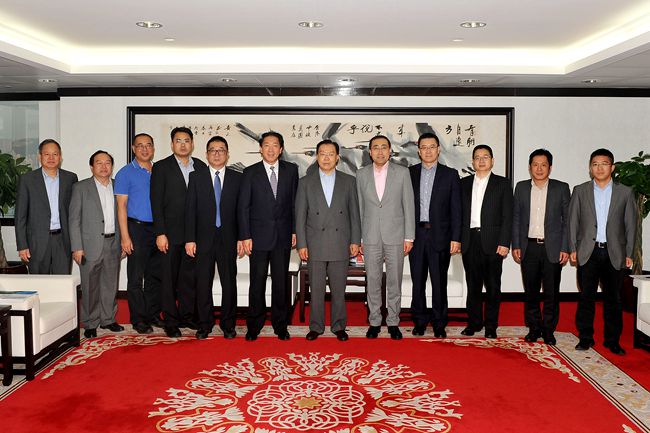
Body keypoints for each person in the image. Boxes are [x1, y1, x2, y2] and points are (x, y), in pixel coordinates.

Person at [569, 148, 637, 355]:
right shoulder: (580, 190)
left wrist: (629, 253)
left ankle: (612, 340)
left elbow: (631, 225)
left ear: (612, 167)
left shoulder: (625, 192)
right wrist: (573, 248)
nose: (599, 168)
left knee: (613, 299)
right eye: (595, 164)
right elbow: (573, 222)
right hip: (588, 252)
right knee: (586, 297)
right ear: (590, 168)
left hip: (614, 253)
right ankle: (585, 338)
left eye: (604, 164)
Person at [296, 139, 361, 342]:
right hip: (314, 242)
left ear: (337, 157)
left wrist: (355, 240)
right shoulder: (305, 182)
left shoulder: (348, 181)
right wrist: (302, 243)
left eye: (330, 154)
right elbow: (300, 216)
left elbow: (354, 214)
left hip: (340, 241)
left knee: (338, 289)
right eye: (322, 154)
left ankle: (339, 326)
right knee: (316, 289)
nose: (326, 158)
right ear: (317, 157)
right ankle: (316, 326)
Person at [238, 131, 298, 341]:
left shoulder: (291, 170)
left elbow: (294, 203)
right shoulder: (250, 172)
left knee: (281, 283)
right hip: (257, 237)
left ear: (281, 149)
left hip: (283, 235)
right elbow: (243, 207)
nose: (271, 149)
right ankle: (254, 325)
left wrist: (294, 230)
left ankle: (281, 325)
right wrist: (245, 235)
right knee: (257, 282)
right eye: (266, 145)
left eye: (275, 145)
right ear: (260, 149)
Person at [356, 135, 415, 340]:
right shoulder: (361, 174)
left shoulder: (402, 173)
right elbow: (359, 208)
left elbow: (408, 205)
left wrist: (409, 236)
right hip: (370, 235)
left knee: (394, 281)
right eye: (375, 147)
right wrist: (359, 238)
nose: (380, 151)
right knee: (372, 281)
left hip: (396, 236)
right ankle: (374, 321)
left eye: (384, 147)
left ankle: (393, 322)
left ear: (390, 151)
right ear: (370, 152)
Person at [151, 127, 207, 338]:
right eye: (178, 141)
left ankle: (187, 315)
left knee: (189, 278)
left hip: (194, 234)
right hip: (170, 233)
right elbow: (156, 202)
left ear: (192, 144)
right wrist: (160, 232)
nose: (183, 145)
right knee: (169, 279)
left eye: (186, 141)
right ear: (172, 144)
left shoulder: (200, 166)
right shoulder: (161, 167)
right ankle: (171, 321)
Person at [185, 136, 244, 340]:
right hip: (203, 239)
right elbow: (190, 210)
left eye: (221, 150)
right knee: (203, 283)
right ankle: (204, 324)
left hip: (229, 238)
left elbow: (241, 211)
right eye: (213, 150)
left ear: (227, 154)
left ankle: (228, 325)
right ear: (206, 154)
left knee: (229, 283)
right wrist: (190, 239)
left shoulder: (237, 178)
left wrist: (242, 237)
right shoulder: (196, 177)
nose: (217, 154)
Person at [512, 149, 570, 345]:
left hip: (552, 248)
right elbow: (516, 218)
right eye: (535, 165)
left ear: (550, 168)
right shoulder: (521, 187)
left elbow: (568, 221)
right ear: (530, 167)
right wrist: (516, 244)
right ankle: (534, 328)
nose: (539, 168)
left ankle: (548, 330)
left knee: (551, 292)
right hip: (528, 246)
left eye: (543, 165)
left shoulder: (561, 188)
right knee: (531, 291)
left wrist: (565, 247)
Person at [409, 132, 461, 338]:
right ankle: (419, 321)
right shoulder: (410, 173)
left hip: (440, 236)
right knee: (418, 281)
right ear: (419, 151)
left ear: (439, 149)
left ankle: (439, 323)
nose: (428, 151)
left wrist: (456, 238)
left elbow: (456, 209)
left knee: (439, 282)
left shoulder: (450, 175)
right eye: (424, 147)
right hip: (416, 235)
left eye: (432, 147)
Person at [460, 144, 513, 339]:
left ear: (492, 160)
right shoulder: (464, 184)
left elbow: (508, 216)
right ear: (473, 162)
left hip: (493, 241)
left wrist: (505, 242)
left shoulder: (502, 184)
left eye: (485, 157)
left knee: (493, 287)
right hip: (470, 240)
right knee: (472, 285)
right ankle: (474, 323)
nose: (481, 161)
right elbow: (458, 214)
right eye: (477, 157)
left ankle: (491, 326)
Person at [69, 150, 123, 339]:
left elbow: (124, 216)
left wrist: (124, 241)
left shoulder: (118, 186)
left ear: (112, 166)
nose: (103, 166)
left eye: (107, 163)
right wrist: (77, 247)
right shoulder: (81, 188)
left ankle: (108, 319)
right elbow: (74, 219)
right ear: (92, 167)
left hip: (113, 242)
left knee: (110, 284)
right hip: (89, 245)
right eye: (99, 163)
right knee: (90, 286)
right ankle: (90, 322)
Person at [114, 133, 162, 335]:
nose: (144, 149)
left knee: (154, 276)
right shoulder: (125, 172)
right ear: (134, 149)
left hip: (158, 229)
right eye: (140, 145)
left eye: (148, 145)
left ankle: (152, 314)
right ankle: (138, 319)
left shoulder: (158, 170)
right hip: (136, 228)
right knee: (136, 277)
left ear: (153, 148)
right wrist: (125, 237)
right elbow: (121, 206)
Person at [15, 139, 78, 274]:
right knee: (39, 282)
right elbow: (20, 216)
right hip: (36, 242)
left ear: (60, 157)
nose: (51, 158)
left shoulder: (70, 178)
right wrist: (22, 245)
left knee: (61, 282)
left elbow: (74, 213)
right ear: (40, 156)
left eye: (55, 154)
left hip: (63, 240)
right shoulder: (27, 180)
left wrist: (77, 244)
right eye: (47, 154)